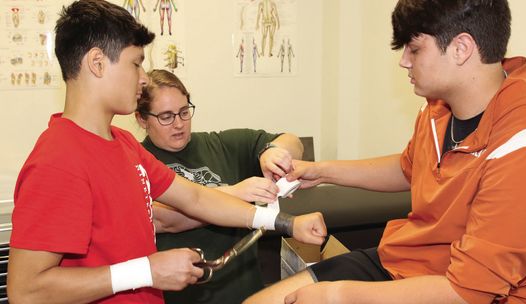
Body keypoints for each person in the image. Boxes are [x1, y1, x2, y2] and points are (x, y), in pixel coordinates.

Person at [6, 1, 326, 303]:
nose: (144, 79)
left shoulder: (122, 143)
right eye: (135, 64)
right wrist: (146, 270)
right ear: (97, 63)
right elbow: (27, 290)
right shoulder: (57, 161)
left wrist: (284, 223)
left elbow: (197, 199)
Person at [245, 0, 526, 303]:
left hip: (467, 291)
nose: (404, 62)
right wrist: (320, 171)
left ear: (461, 48)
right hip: (407, 262)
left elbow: (466, 291)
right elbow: (407, 168)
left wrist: (339, 295)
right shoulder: (437, 109)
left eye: (414, 49)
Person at [135, 68, 304, 303]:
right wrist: (235, 194)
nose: (179, 123)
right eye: (166, 116)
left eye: (184, 112)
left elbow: (292, 141)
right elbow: (162, 219)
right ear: (142, 119)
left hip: (247, 294)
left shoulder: (220, 145)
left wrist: (273, 153)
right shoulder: (136, 160)